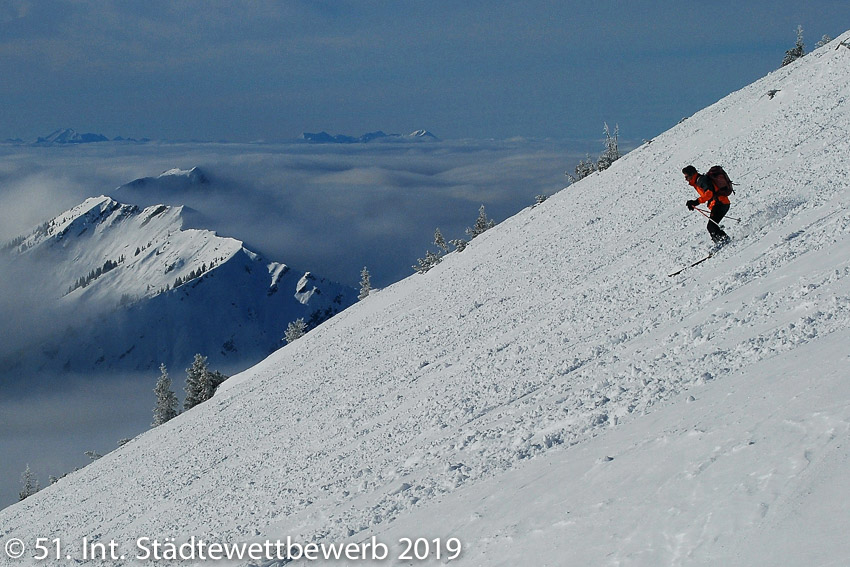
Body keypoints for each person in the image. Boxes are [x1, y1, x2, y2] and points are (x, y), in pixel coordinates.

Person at [682, 165, 730, 245]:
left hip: (720, 203)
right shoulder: (698, 181)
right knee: (712, 226)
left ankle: (724, 242)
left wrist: (696, 202)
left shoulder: (701, 180)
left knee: (711, 226)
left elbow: (709, 194)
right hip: (720, 203)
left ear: (691, 175)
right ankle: (721, 242)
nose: (685, 179)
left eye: (686, 176)